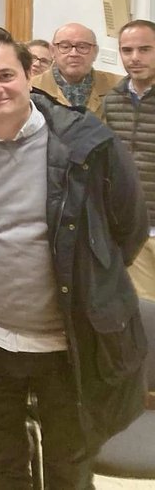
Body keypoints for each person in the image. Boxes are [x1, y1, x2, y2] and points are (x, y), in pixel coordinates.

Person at [0, 28, 148, 488]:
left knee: (69, 469)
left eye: (6, 74)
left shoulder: (88, 143)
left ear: (31, 74)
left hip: (69, 341)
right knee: (1, 467)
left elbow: (125, 233)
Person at [101, 19, 155, 301]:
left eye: (145, 49)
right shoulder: (112, 100)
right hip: (134, 225)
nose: (135, 58)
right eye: (127, 50)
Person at [31, 23, 121, 117]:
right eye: (65, 47)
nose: (74, 54)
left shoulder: (118, 86)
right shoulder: (31, 89)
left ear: (95, 52)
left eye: (82, 47)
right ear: (52, 51)